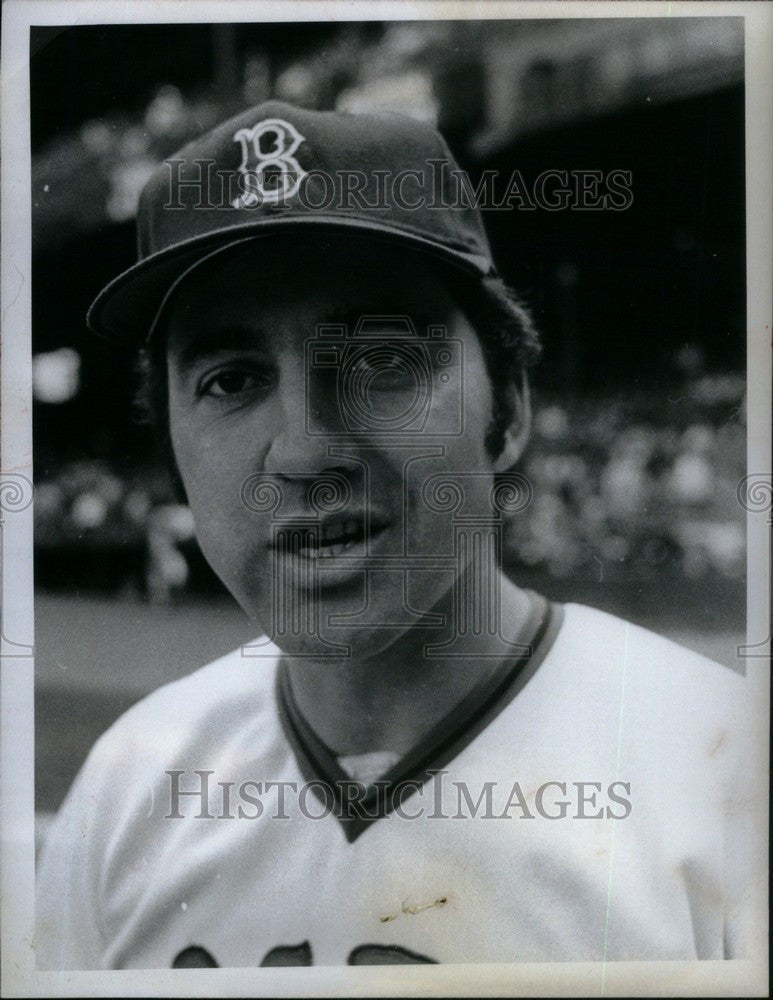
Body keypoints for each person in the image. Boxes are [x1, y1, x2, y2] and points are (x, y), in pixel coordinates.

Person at [36, 100, 752, 969]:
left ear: (508, 411)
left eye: (382, 359)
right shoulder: (126, 792)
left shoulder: (730, 781)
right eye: (232, 379)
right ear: (174, 451)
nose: (303, 451)